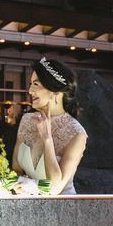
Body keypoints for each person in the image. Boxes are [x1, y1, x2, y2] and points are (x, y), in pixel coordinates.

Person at [12, 57, 87, 195]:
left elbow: (56, 188)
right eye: (30, 84)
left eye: (36, 84)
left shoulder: (77, 134)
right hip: (25, 205)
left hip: (61, 206)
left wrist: (47, 139)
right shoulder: (26, 120)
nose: (30, 90)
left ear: (56, 91)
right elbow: (15, 171)